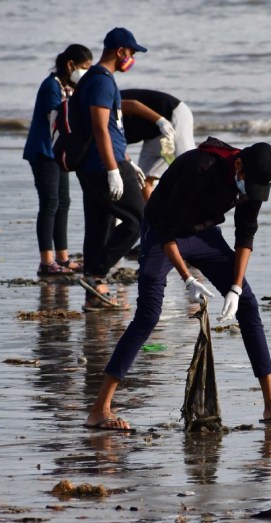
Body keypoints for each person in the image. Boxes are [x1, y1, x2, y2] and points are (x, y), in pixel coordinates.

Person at [84, 137, 271, 430]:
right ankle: (100, 409)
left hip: (203, 235)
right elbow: (166, 230)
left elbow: (245, 235)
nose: (250, 192)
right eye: (248, 183)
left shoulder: (254, 182)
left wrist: (236, 287)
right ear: (238, 165)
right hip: (162, 233)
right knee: (148, 315)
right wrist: (187, 278)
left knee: (249, 305)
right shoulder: (198, 168)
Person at [73, 28, 175, 311]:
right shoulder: (102, 82)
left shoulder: (96, 80)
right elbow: (99, 127)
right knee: (140, 218)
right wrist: (113, 169)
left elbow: (111, 127)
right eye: (130, 54)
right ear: (120, 52)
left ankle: (94, 292)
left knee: (100, 223)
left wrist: (126, 160)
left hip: (98, 164)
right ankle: (96, 275)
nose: (131, 59)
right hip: (102, 165)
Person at [23, 44, 92, 276]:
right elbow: (57, 118)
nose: (86, 72)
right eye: (84, 67)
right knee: (50, 202)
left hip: (60, 152)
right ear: (70, 65)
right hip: (44, 151)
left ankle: (63, 258)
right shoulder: (51, 86)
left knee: (64, 202)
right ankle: (46, 261)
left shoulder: (72, 87)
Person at [122, 89, 196, 201]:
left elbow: (132, 104)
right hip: (152, 133)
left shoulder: (99, 104)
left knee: (188, 170)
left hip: (172, 114)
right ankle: (151, 217)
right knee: (143, 181)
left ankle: (199, 213)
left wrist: (160, 120)